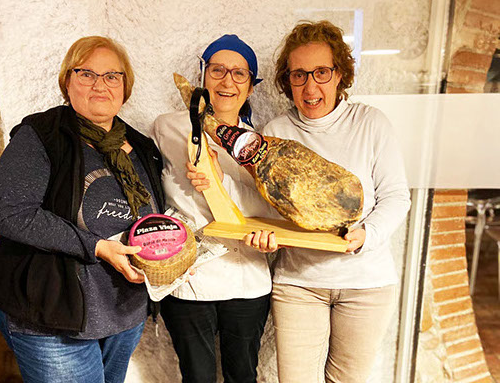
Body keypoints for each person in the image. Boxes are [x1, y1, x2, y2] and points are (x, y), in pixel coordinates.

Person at [241, 20, 411, 382]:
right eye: (299, 75)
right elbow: (271, 210)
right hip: (299, 283)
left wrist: (367, 234)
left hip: (366, 283)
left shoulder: (371, 123)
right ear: (288, 81)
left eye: (321, 72)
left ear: (340, 74)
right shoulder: (276, 133)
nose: (310, 86)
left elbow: (396, 196)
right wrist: (267, 239)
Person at [0, 36, 164, 383]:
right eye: (86, 74)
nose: (100, 85)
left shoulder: (142, 146)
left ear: (125, 86)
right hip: (52, 317)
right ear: (67, 81)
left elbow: (155, 220)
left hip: (123, 314)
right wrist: (96, 246)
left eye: (112, 76)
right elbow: (10, 211)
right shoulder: (41, 136)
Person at [150, 34, 273, 383]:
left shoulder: (260, 144)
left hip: (247, 278)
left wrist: (220, 179)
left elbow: (267, 209)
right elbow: (149, 192)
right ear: (203, 76)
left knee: (243, 376)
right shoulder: (167, 127)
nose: (227, 81)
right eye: (217, 70)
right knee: (197, 377)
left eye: (239, 73)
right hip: (188, 279)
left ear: (251, 86)